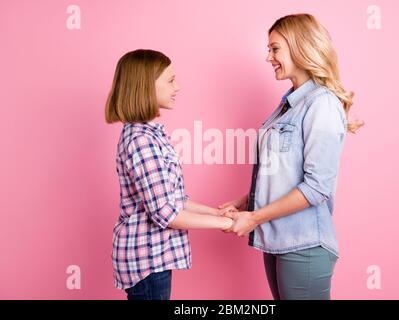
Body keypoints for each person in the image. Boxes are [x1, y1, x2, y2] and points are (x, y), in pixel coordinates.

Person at [219, 13, 364, 300]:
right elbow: (282, 175)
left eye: (275, 48)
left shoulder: (321, 104)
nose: (268, 57)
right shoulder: (288, 104)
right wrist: (245, 202)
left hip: (305, 246)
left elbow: (316, 187)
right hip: (277, 241)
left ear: (299, 47)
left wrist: (254, 217)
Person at [105, 49, 233, 300]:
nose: (178, 87)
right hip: (147, 261)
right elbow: (165, 213)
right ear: (146, 87)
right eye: (171, 80)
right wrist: (227, 223)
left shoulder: (152, 134)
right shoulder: (141, 141)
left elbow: (175, 199)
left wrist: (217, 213)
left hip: (155, 259)